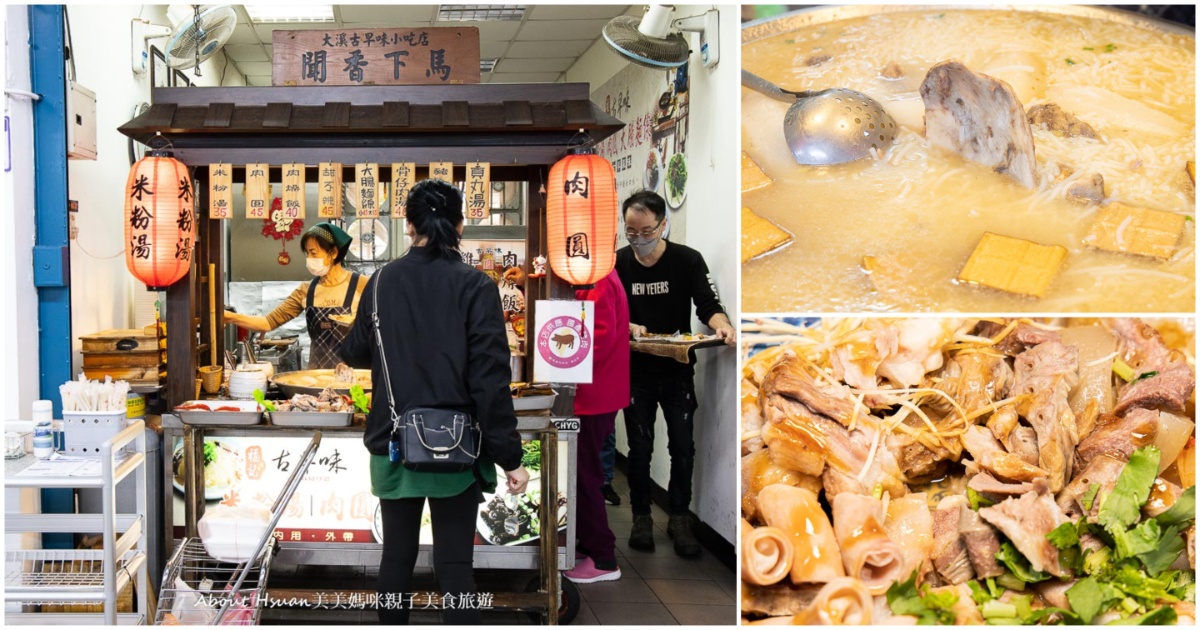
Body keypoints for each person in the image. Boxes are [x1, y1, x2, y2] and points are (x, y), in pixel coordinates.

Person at [339, 179, 530, 625]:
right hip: (457, 446)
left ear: (408, 225)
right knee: (455, 565)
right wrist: (510, 458)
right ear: (460, 224)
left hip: (394, 443)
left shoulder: (381, 281)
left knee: (396, 558)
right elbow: (490, 380)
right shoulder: (476, 285)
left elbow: (354, 351)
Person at [615, 190, 735, 557]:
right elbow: (604, 311)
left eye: (646, 230)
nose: (638, 238)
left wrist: (723, 325)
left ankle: (680, 517)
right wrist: (628, 324)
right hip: (635, 371)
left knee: (683, 446)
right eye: (631, 232)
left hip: (677, 371)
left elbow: (708, 304)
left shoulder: (687, 260)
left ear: (663, 225)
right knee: (639, 448)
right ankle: (640, 517)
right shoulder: (617, 264)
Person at [224, 222, 366, 369]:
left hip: (354, 376)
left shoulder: (362, 285)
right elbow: (267, 323)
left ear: (334, 253)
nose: (309, 258)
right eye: (307, 253)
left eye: (313, 253)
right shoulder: (306, 290)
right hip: (316, 377)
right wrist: (229, 317)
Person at [563, 267, 629, 583]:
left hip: (592, 394)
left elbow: (596, 338)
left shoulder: (598, 278)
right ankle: (587, 544)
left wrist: (560, 368)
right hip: (593, 392)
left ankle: (603, 557)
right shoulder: (598, 273)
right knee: (580, 473)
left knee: (584, 474)